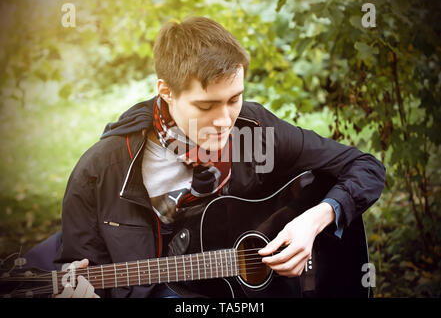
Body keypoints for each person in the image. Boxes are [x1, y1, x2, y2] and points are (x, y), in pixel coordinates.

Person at [52, 16, 386, 298]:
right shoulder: (100, 170)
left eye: (234, 99)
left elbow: (365, 167)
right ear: (165, 91)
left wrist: (314, 221)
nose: (226, 120)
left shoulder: (255, 130)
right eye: (206, 106)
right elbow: (82, 268)